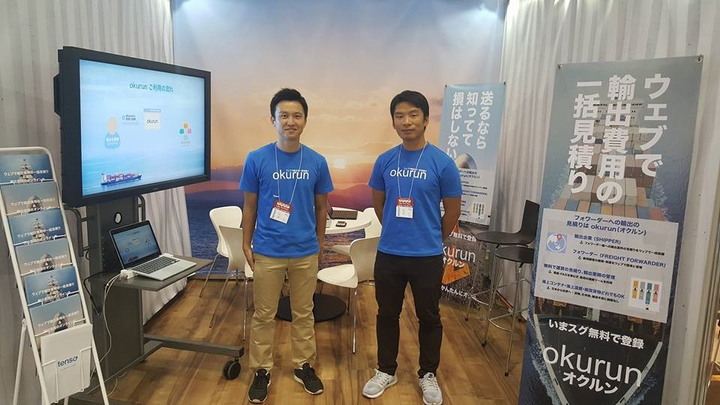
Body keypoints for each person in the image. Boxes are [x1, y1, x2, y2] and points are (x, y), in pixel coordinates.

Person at [363, 90, 462, 405]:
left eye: (413, 115)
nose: (406, 121)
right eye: (400, 116)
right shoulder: (384, 160)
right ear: (393, 122)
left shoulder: (442, 164)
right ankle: (386, 370)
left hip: (427, 256)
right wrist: (397, 230)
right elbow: (379, 204)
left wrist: (430, 237)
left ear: (426, 119)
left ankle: (428, 373)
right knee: (386, 314)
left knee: (429, 317)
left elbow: (453, 212)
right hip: (389, 254)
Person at [240, 88, 334, 403]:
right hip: (268, 250)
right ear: (273, 120)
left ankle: (303, 365)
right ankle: (261, 370)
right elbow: (250, 206)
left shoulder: (317, 161)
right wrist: (246, 243)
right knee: (264, 314)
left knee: (303, 313)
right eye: (284, 115)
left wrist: (319, 243)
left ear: (305, 120)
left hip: (305, 251)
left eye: (296, 115)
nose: (290, 121)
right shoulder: (256, 159)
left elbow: (321, 208)